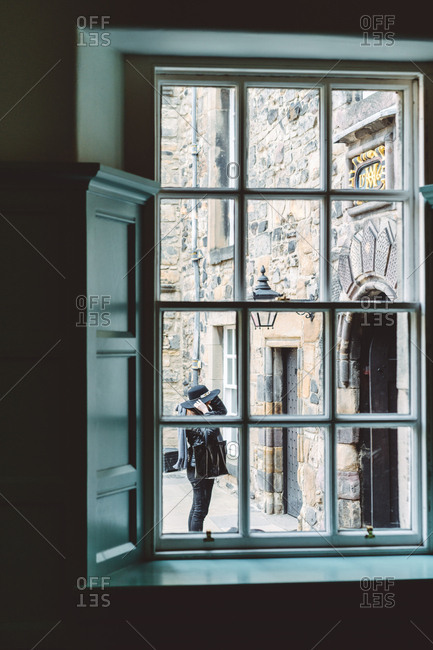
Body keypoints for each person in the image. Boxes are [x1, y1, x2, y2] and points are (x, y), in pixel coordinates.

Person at [173, 384, 227, 532]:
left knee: (198, 508)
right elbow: (210, 433)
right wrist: (207, 412)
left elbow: (222, 411)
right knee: (200, 510)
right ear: (198, 404)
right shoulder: (192, 419)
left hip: (205, 466)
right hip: (199, 468)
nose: (210, 403)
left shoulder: (197, 414)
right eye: (207, 401)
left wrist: (209, 397)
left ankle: (192, 539)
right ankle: (194, 542)